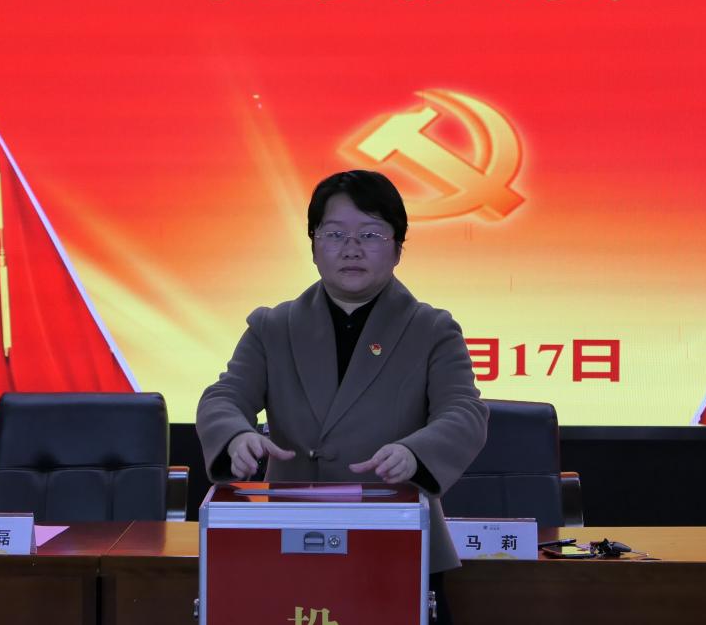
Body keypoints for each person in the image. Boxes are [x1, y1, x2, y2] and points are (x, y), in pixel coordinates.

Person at [197, 169, 488, 618]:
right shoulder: (273, 327)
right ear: (313, 245)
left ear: (398, 247)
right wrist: (236, 436)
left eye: (370, 234)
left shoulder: (432, 329)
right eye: (334, 234)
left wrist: (415, 453)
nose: (351, 248)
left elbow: (465, 412)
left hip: (396, 541)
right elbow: (224, 397)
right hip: (289, 537)